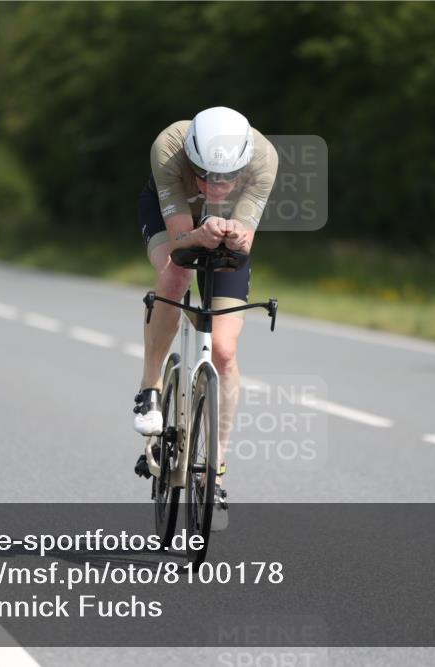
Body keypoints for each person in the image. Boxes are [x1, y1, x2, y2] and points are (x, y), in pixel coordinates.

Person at [132, 106, 278, 509]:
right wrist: (200, 232)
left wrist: (232, 235)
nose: (216, 186)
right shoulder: (169, 147)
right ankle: (150, 387)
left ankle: (217, 468)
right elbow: (180, 240)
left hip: (227, 225)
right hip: (173, 217)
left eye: (228, 177)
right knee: (174, 274)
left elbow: (245, 242)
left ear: (244, 164)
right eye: (206, 175)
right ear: (191, 159)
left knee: (226, 352)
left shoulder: (264, 158)